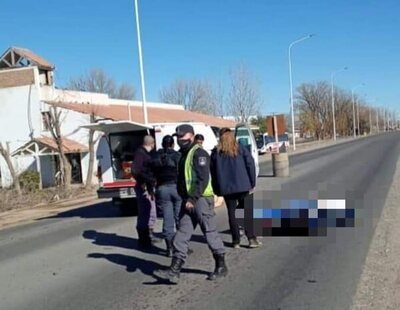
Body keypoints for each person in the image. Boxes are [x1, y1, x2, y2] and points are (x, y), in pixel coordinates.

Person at [154, 124, 227, 283]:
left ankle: (221, 266)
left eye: (183, 136)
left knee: (209, 232)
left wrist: (192, 199)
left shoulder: (199, 153)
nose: (180, 140)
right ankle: (174, 271)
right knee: (182, 234)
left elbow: (203, 178)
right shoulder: (183, 154)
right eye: (178, 137)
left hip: (200, 199)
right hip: (188, 200)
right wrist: (184, 197)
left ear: (192, 136)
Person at [210, 128, 261, 249]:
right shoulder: (240, 149)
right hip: (243, 185)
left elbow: (213, 172)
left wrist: (217, 189)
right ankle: (251, 239)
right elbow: (250, 164)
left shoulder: (216, 153)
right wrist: (252, 182)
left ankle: (236, 240)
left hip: (227, 188)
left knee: (232, 213)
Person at [152, 135, 182, 257]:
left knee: (167, 218)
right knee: (179, 216)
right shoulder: (177, 156)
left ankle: (169, 247)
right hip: (176, 187)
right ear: (173, 144)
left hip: (162, 188)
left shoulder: (156, 156)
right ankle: (180, 245)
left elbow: (151, 171)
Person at [131, 135, 160, 249]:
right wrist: (145, 182)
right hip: (143, 187)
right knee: (145, 212)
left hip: (147, 187)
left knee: (150, 211)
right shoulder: (141, 154)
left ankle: (148, 236)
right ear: (152, 144)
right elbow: (136, 170)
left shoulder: (143, 153)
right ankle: (144, 239)